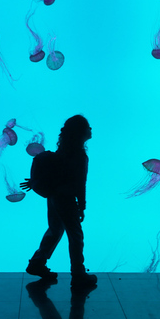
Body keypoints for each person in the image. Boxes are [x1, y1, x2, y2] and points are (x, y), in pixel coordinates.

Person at [20, 114, 97, 287]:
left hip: (54, 197)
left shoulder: (62, 152)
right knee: (75, 235)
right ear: (80, 132)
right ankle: (78, 273)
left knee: (55, 231)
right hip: (66, 199)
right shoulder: (79, 155)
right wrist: (81, 206)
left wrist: (36, 182)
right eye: (88, 127)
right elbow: (80, 183)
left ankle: (37, 263)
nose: (91, 130)